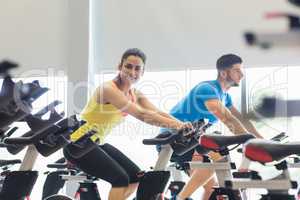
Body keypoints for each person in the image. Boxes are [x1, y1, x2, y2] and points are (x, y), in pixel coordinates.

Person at [63, 48, 192, 200]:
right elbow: (142, 115)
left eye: (138, 68)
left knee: (135, 177)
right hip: (78, 143)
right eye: (128, 66)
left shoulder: (134, 94)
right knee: (120, 179)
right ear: (120, 66)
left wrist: (185, 126)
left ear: (143, 72)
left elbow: (157, 112)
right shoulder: (108, 89)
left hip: (97, 142)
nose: (132, 72)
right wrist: (178, 126)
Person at [161, 54, 263, 200]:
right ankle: (179, 199)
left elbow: (242, 120)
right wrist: (248, 140)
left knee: (210, 190)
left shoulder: (225, 97)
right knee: (216, 162)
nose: (242, 74)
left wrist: (263, 140)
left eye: (242, 70)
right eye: (237, 70)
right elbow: (227, 118)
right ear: (223, 73)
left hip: (192, 141)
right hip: (175, 139)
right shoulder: (207, 88)